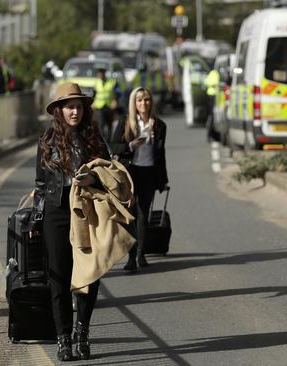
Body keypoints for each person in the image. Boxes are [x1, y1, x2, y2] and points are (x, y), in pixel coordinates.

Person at [35, 82, 133, 361]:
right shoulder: (47, 140)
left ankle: (82, 332)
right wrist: (38, 217)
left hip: (88, 209)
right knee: (59, 277)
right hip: (57, 210)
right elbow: (40, 183)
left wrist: (92, 179)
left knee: (90, 273)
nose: (74, 112)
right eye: (69, 107)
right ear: (59, 110)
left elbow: (109, 173)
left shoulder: (93, 137)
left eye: (78, 106)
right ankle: (63, 338)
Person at [109, 87, 169, 270]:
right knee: (130, 215)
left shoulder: (159, 126)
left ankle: (141, 255)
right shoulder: (126, 122)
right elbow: (112, 146)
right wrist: (130, 146)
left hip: (149, 173)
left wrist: (163, 179)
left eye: (147, 100)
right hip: (130, 173)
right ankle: (131, 257)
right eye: (140, 100)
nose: (144, 103)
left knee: (143, 215)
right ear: (134, 103)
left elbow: (161, 155)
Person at [92, 68, 119, 141]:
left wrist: (115, 101)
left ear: (104, 74)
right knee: (101, 124)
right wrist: (93, 103)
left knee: (109, 124)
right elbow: (94, 94)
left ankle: (109, 140)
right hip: (99, 107)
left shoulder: (112, 82)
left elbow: (118, 93)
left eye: (101, 74)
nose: (99, 76)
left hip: (109, 106)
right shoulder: (96, 82)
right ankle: (102, 140)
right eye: (98, 74)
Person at [204, 68, 220, 142]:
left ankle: (213, 135)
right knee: (213, 116)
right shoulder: (215, 73)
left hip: (211, 96)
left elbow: (206, 82)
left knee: (212, 116)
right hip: (213, 96)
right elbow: (215, 83)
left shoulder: (211, 73)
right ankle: (211, 135)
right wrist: (216, 84)